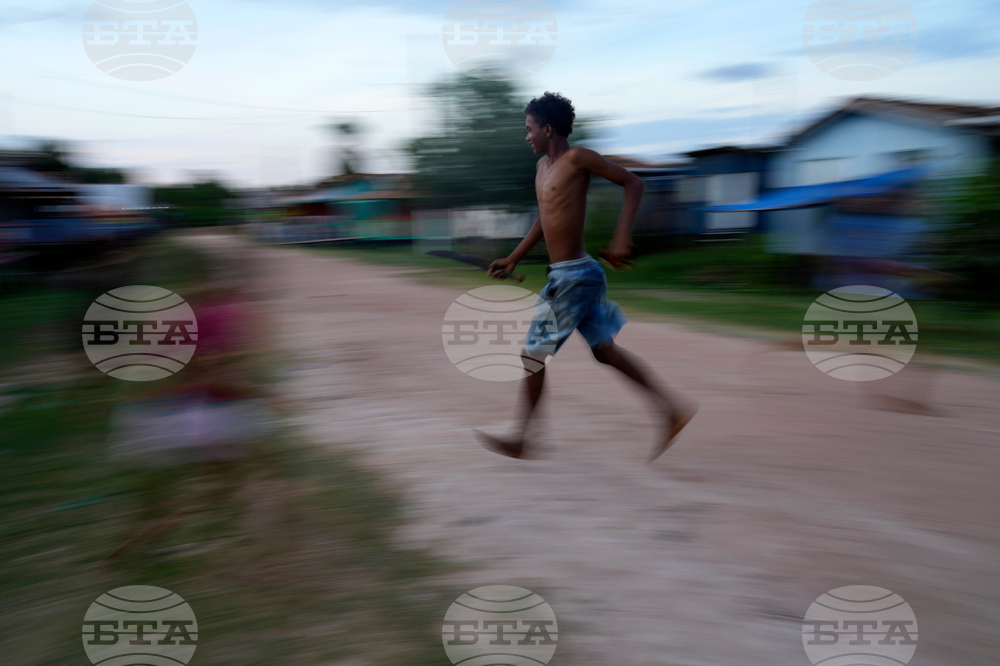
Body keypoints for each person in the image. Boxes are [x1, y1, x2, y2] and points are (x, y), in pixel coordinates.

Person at [476, 92, 697, 462]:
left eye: (529, 129)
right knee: (605, 352)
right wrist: (513, 258)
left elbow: (633, 183)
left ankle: (523, 437)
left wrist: (621, 237)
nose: (526, 136)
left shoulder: (577, 158)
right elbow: (544, 221)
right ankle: (671, 411)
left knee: (532, 354)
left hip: (575, 277)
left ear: (547, 129)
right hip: (572, 275)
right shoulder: (541, 169)